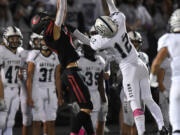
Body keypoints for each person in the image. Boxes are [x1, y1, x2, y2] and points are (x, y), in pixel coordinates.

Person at [74, 0, 168, 134]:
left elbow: (89, 42)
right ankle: (162, 127)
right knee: (148, 99)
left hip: (129, 70)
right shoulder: (120, 22)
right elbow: (113, 8)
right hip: (140, 64)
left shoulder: (103, 41)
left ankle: (142, 133)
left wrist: (75, 32)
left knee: (135, 104)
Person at [30, 0, 95, 134]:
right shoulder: (51, 34)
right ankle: (74, 132)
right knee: (86, 106)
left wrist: (98, 44)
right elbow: (61, 12)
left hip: (73, 70)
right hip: (71, 72)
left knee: (84, 107)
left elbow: (83, 37)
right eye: (47, 18)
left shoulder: (60, 29)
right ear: (44, 24)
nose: (50, 17)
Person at [150, 8, 180, 135]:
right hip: (172, 84)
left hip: (177, 83)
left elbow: (157, 62)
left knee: (176, 127)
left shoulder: (169, 38)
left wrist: (152, 77)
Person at [26, 38, 61, 135]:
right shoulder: (34, 55)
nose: (44, 43)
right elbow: (29, 78)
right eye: (42, 40)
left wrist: (60, 97)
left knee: (51, 122)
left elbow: (58, 78)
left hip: (51, 90)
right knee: (37, 122)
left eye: (47, 40)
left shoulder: (56, 56)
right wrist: (29, 96)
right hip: (37, 89)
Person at [77, 45, 108, 135]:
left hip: (94, 95)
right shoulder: (80, 61)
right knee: (81, 125)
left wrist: (103, 99)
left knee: (92, 125)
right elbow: (75, 81)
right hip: (83, 94)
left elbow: (100, 83)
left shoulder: (100, 60)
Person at [0, 26, 23, 135]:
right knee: (1, 121)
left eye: (16, 38)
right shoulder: (1, 51)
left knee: (10, 122)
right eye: (12, 38)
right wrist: (1, 97)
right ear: (5, 38)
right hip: (3, 90)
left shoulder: (20, 51)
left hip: (15, 90)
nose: (15, 41)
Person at [19, 33, 43, 135]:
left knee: (38, 119)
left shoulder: (46, 54)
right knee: (26, 119)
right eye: (36, 40)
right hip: (26, 87)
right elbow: (20, 75)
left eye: (40, 40)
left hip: (39, 88)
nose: (38, 43)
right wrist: (27, 93)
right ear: (31, 41)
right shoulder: (24, 54)